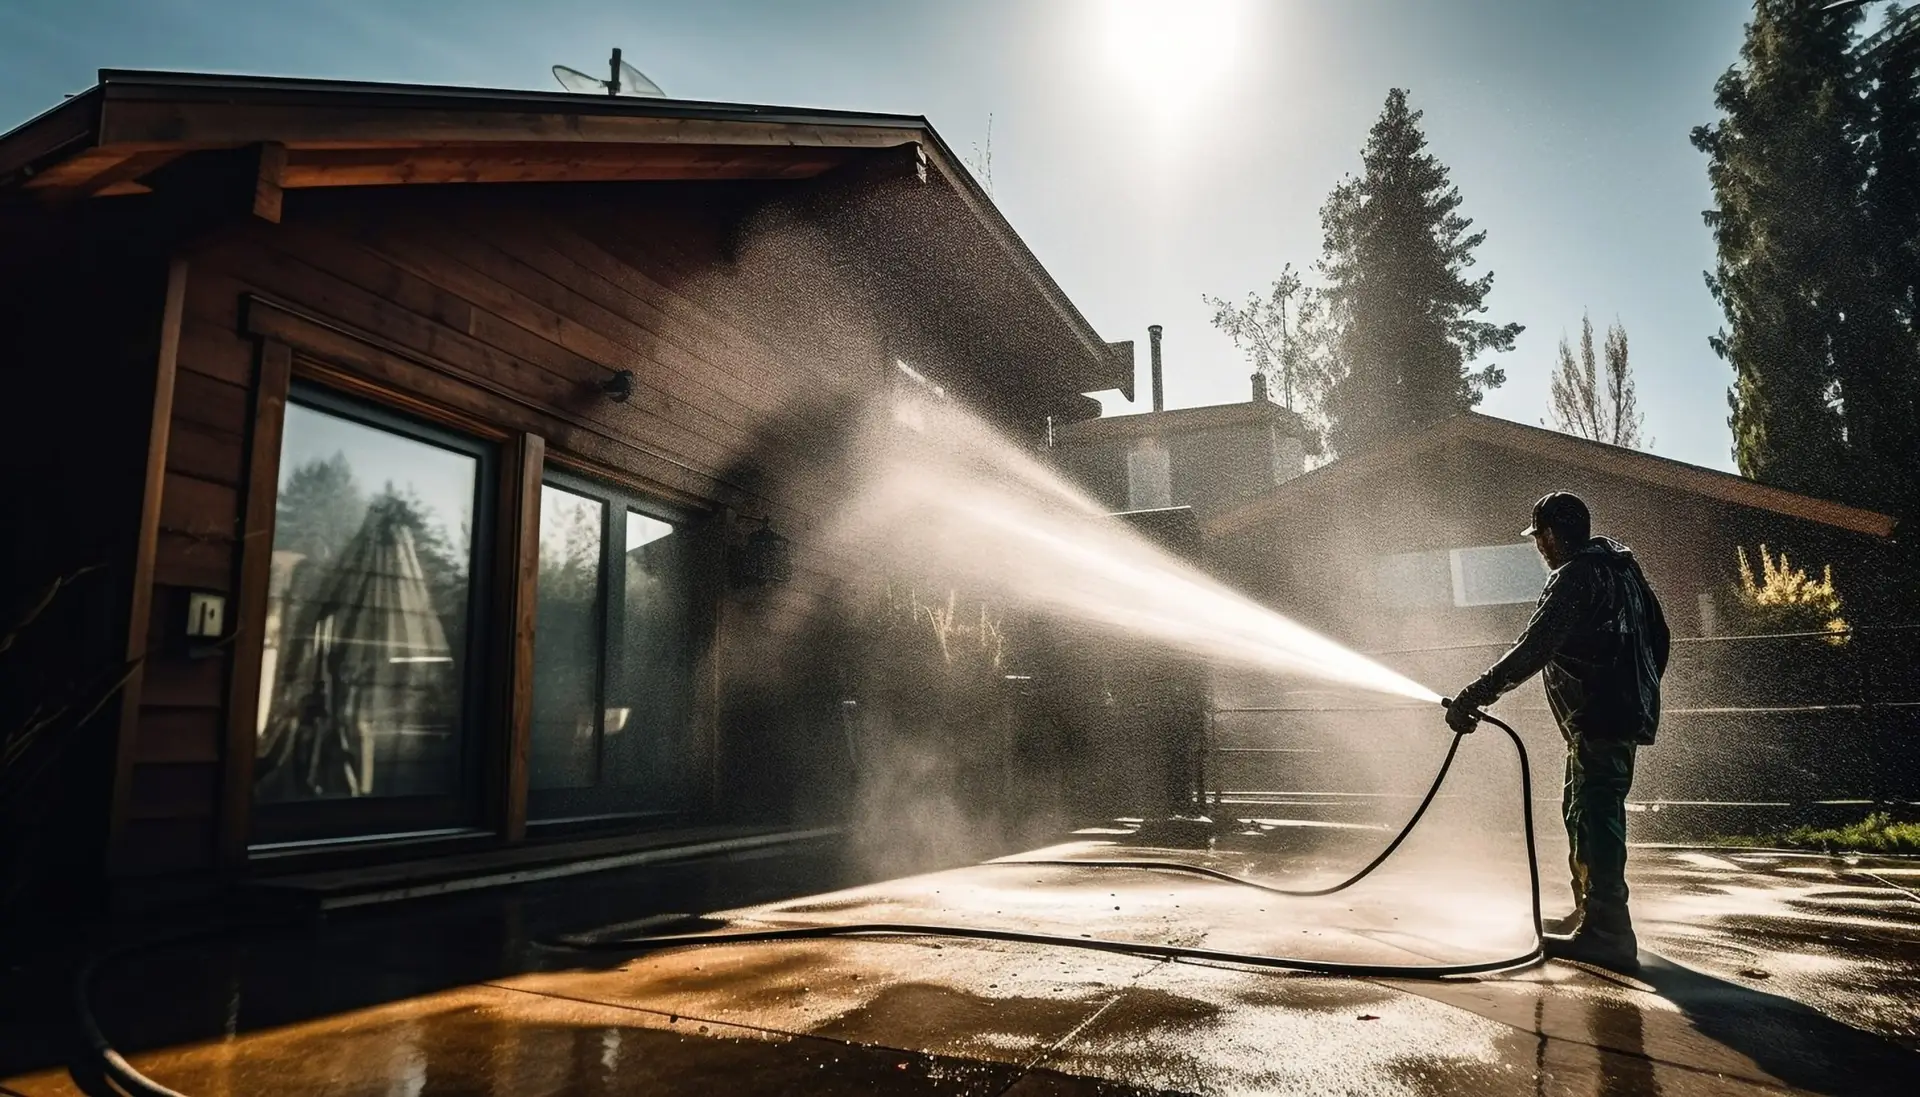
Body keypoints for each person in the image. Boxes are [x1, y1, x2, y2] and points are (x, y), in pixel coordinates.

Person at [1449, 491, 1669, 973]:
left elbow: (1534, 648)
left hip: (1599, 716)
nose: (1539, 548)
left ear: (1550, 535)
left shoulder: (1574, 577)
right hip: (1612, 715)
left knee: (1597, 811)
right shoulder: (1623, 571)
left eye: (1539, 538)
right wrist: (1640, 690)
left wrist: (1475, 694)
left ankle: (1609, 931)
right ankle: (1592, 914)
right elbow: (1661, 636)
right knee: (1579, 808)